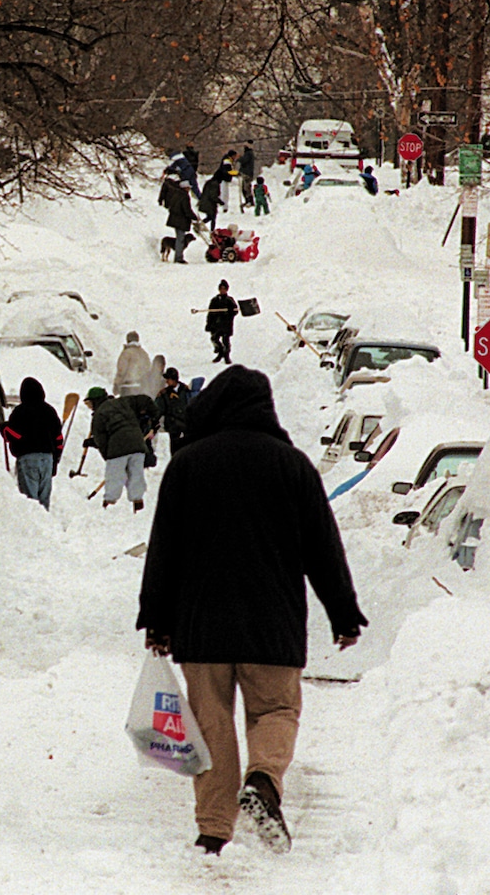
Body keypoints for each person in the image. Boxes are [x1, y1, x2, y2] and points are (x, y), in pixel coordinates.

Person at [136, 366, 367, 856]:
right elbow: (323, 547)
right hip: (273, 624)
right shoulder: (293, 466)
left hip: (202, 626)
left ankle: (214, 828)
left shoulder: (188, 465)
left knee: (210, 724)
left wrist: (157, 618)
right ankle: (262, 780)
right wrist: (343, 612)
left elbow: (164, 550)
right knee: (276, 710)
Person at [83, 387, 151, 511]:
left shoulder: (99, 414)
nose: (91, 407)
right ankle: (138, 502)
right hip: (137, 444)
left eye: (90, 403)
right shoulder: (121, 404)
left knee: (114, 476)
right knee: (136, 473)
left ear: (96, 401)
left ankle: (109, 504)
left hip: (118, 448)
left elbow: (101, 440)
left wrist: (107, 456)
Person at [2, 377, 64, 510]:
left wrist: (4, 429)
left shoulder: (20, 411)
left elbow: (15, 435)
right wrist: (55, 460)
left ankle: (35, 528)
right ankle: (46, 526)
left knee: (30, 502)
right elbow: (58, 438)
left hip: (28, 458)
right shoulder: (50, 411)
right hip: (48, 458)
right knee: (44, 499)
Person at [155, 367, 191, 454]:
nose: (167, 381)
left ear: (174, 379)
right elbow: (158, 409)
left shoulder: (186, 390)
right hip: (173, 425)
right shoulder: (164, 393)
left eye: (168, 379)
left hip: (186, 423)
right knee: (174, 449)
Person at [163, 178, 197, 263]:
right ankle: (178, 258)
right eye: (188, 188)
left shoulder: (176, 194)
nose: (189, 189)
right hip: (181, 220)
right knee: (180, 239)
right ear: (185, 188)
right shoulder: (184, 196)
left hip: (174, 219)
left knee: (179, 238)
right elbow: (186, 209)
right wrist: (193, 217)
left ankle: (178, 256)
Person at [205, 280, 239, 364]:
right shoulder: (214, 300)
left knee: (226, 341)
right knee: (214, 339)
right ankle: (220, 352)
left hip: (226, 325)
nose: (222, 290)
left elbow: (235, 311)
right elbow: (210, 313)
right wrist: (208, 324)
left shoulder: (229, 300)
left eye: (224, 289)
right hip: (216, 325)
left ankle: (226, 356)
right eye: (221, 289)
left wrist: (229, 312)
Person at [114, 331, 154, 397]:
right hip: (141, 387)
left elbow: (121, 371)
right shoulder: (144, 354)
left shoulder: (126, 353)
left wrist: (116, 384)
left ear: (128, 340)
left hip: (127, 386)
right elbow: (148, 370)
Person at [238, 143, 256, 209]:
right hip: (247, 173)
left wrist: (239, 158)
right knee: (245, 188)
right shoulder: (249, 153)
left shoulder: (248, 154)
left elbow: (244, 160)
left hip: (247, 173)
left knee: (246, 188)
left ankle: (249, 201)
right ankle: (248, 201)